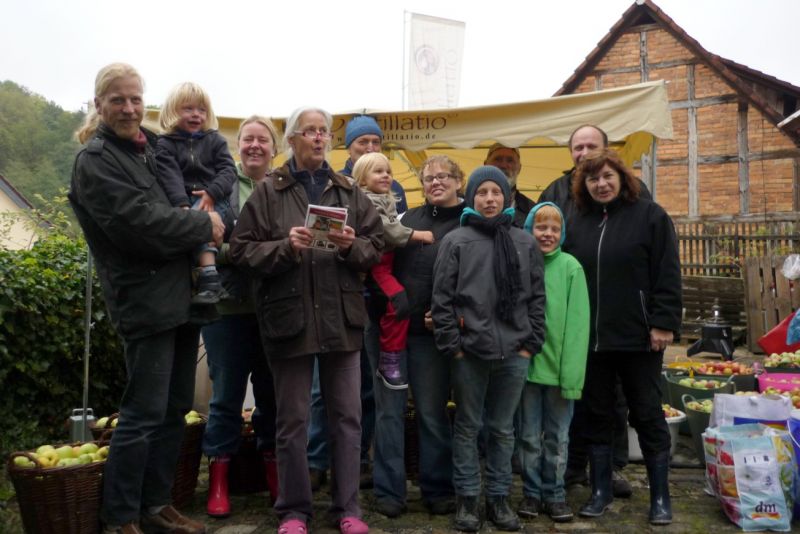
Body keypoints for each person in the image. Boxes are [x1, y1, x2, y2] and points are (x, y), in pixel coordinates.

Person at [69, 62, 223, 534]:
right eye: (118, 100)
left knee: (175, 409)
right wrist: (202, 223)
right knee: (143, 413)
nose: (129, 108)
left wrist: (207, 205)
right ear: (99, 104)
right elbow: (139, 226)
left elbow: (185, 191)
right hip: (144, 302)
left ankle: (156, 506)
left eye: (135, 99)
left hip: (183, 297)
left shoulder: (154, 147)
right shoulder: (95, 161)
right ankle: (120, 518)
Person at [229, 106, 382, 534]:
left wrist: (352, 246)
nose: (318, 137)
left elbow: (377, 245)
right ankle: (294, 511)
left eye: (323, 131)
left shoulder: (348, 190)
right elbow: (240, 251)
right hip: (290, 319)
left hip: (341, 320)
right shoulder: (268, 192)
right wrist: (285, 247)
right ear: (292, 139)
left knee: (347, 418)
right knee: (292, 421)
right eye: (310, 131)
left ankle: (347, 508)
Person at [564, 148, 681, 525]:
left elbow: (667, 271)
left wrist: (663, 322)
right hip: (592, 339)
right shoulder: (577, 221)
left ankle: (660, 497)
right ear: (584, 185)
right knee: (596, 413)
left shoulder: (650, 216)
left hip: (639, 337)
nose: (601, 184)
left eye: (607, 177)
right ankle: (600, 491)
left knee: (646, 413)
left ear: (622, 178)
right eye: (593, 179)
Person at [432, 166, 546, 532]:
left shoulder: (524, 242)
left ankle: (499, 498)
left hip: (514, 352)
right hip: (470, 352)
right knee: (468, 426)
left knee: (502, 429)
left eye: (496, 192)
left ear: (507, 197)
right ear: (471, 197)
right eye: (482, 192)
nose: (490, 199)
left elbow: (537, 297)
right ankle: (468, 499)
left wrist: (530, 343)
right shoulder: (456, 241)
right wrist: (454, 347)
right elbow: (442, 299)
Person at [539, 124, 648, 496]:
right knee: (572, 391)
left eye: (591, 146)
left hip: (614, 313)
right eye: (577, 147)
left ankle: (612, 467)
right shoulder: (555, 191)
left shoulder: (631, 190)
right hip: (567, 310)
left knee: (613, 396)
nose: (583, 152)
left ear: (607, 150)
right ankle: (572, 466)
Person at [370, 155, 466, 518]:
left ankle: (438, 488)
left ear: (458, 181)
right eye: (428, 178)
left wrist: (450, 314)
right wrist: (391, 303)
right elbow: (379, 268)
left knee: (431, 412)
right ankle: (388, 491)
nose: (435, 182)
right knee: (389, 414)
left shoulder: (468, 222)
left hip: (432, 336)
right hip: (393, 332)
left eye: (443, 176)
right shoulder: (406, 220)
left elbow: (475, 279)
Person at [306, 115, 393, 491]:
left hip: (374, 303)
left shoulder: (390, 187)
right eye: (363, 142)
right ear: (349, 147)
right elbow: (317, 237)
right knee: (320, 389)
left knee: (366, 388)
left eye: (376, 142)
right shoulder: (332, 184)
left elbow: (383, 245)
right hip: (331, 299)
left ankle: (357, 460)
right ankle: (316, 460)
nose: (370, 148)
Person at [203, 116, 280, 517]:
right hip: (227, 309)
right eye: (248, 138)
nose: (254, 145)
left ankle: (275, 478)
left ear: (274, 148)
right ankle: (219, 483)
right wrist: (250, 251)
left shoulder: (283, 187)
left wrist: (247, 248)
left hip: (274, 310)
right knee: (225, 399)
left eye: (262, 140)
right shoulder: (220, 186)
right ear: (238, 146)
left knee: (273, 398)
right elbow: (204, 241)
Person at [517, 202, 589, 523]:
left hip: (560, 373)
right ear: (529, 229)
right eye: (541, 227)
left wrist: (571, 376)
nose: (547, 234)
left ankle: (555, 493)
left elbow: (578, 328)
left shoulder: (571, 268)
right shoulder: (520, 264)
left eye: (554, 229)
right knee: (528, 437)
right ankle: (531, 492)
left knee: (558, 438)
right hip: (527, 371)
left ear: (562, 233)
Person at [353, 152, 433, 389]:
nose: (386, 176)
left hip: (386, 263)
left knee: (395, 305)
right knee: (397, 303)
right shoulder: (366, 201)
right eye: (378, 171)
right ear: (362, 179)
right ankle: (389, 358)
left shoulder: (384, 199)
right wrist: (417, 234)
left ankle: (391, 354)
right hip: (377, 264)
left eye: (388, 171)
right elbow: (386, 229)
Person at [155, 82, 237, 304]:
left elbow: (228, 170)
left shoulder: (215, 140)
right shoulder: (165, 144)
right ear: (173, 111)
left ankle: (209, 279)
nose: (196, 114)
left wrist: (211, 193)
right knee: (191, 225)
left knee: (199, 225)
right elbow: (170, 177)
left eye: (201, 110)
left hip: (215, 198)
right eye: (188, 109)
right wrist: (182, 205)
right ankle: (206, 281)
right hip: (183, 199)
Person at [484, 143, 535, 228]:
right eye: (497, 159)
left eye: (510, 160)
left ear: (519, 168)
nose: (503, 165)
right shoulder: (468, 207)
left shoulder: (532, 211)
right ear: (485, 164)